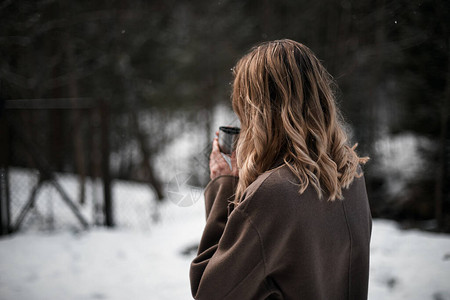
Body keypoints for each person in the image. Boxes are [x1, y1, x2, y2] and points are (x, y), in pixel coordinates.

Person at [189, 39, 371, 300]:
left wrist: (224, 185)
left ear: (259, 112)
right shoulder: (351, 175)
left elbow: (209, 292)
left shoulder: (273, 193)